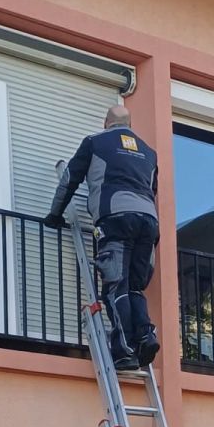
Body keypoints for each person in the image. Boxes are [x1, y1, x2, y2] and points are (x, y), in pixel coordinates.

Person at [45, 104, 160, 371]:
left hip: (116, 218)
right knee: (134, 287)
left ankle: (124, 351)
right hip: (149, 222)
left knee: (115, 286)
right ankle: (145, 335)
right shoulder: (149, 153)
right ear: (129, 125)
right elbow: (151, 191)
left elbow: (70, 179)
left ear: (105, 122)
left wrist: (54, 214)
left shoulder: (95, 142)